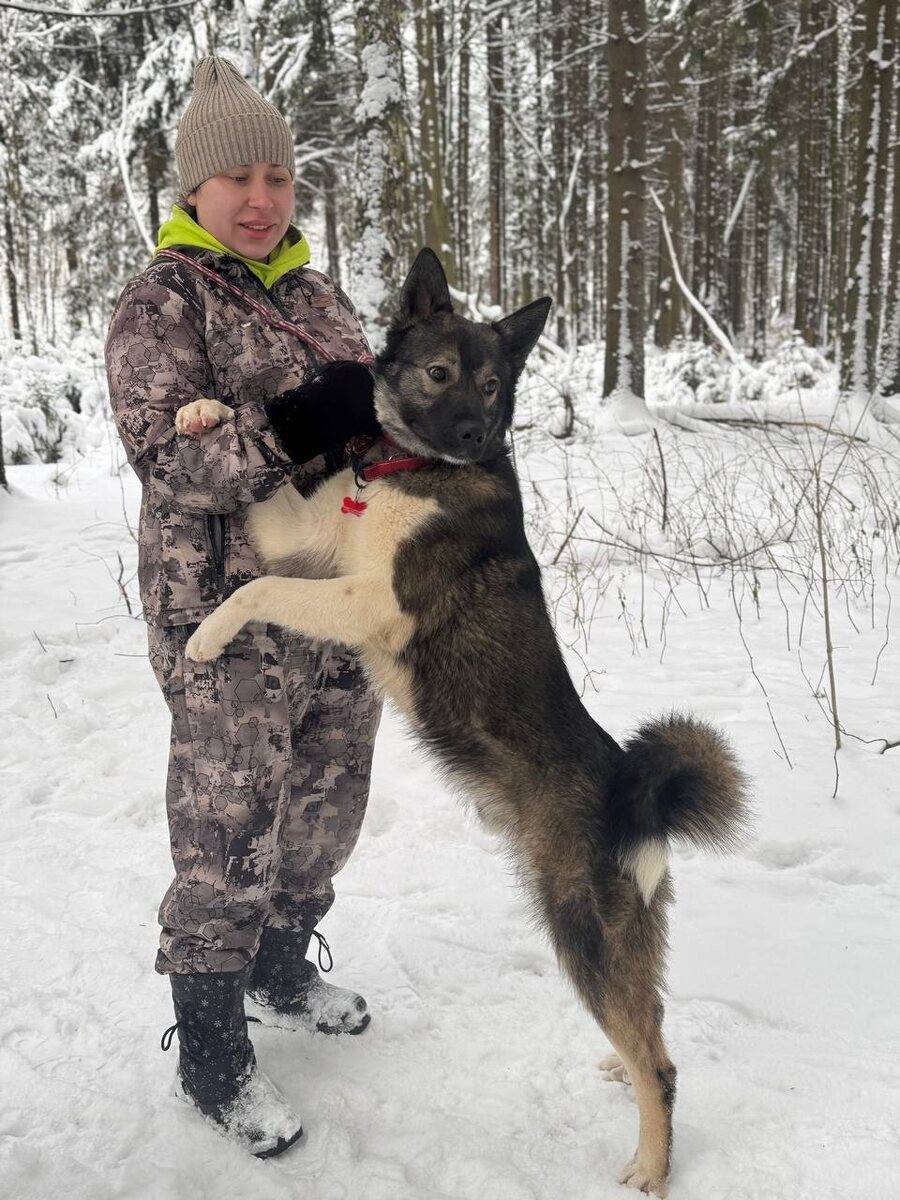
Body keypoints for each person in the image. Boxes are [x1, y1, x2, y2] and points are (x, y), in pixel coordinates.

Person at [105, 56, 384, 1158]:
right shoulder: (163, 302)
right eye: (237, 179)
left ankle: (280, 968)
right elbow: (172, 457)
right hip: (224, 616)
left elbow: (371, 423)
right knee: (228, 835)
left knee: (324, 812)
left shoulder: (319, 296)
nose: (261, 198)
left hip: (339, 602)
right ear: (196, 189)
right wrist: (306, 420)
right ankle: (213, 1055)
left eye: (277, 176)